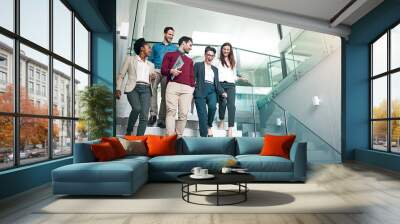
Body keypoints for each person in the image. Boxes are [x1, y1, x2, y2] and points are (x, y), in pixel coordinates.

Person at [116, 38, 156, 136]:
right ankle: (129, 131)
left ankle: (139, 139)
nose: (150, 50)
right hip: (133, 88)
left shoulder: (151, 65)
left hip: (146, 89)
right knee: (137, 108)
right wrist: (118, 88)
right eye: (149, 47)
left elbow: (152, 82)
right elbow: (121, 75)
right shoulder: (130, 59)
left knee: (144, 116)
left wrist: (153, 78)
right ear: (142, 48)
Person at [161, 36, 195, 137]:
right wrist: (171, 71)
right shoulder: (169, 55)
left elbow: (192, 76)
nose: (191, 48)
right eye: (190, 45)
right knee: (171, 111)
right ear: (183, 43)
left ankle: (178, 137)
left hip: (187, 89)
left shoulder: (190, 60)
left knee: (183, 114)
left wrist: (192, 88)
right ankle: (170, 138)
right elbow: (163, 70)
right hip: (173, 86)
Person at [148, 27, 178, 128]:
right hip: (156, 70)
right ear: (165, 34)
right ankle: (153, 115)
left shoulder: (174, 48)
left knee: (165, 95)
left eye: (172, 35)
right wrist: (151, 71)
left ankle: (161, 119)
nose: (171, 37)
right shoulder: (156, 46)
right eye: (170, 34)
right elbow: (150, 60)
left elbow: (177, 62)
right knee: (152, 90)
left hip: (167, 72)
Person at [194, 46, 226, 137]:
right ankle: (204, 136)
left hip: (212, 90)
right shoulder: (198, 65)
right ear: (205, 55)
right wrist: (195, 88)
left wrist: (222, 91)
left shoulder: (215, 69)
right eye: (208, 55)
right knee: (202, 115)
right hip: (200, 89)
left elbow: (217, 83)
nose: (210, 57)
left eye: (212, 56)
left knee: (213, 107)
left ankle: (209, 125)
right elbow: (193, 78)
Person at [216, 42, 238, 137]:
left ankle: (230, 128)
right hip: (221, 84)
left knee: (232, 106)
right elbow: (215, 75)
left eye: (228, 49)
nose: (226, 51)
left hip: (231, 85)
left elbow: (233, 75)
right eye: (224, 49)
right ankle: (221, 119)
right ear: (221, 50)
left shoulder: (233, 61)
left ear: (230, 51)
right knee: (223, 103)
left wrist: (238, 78)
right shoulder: (217, 61)